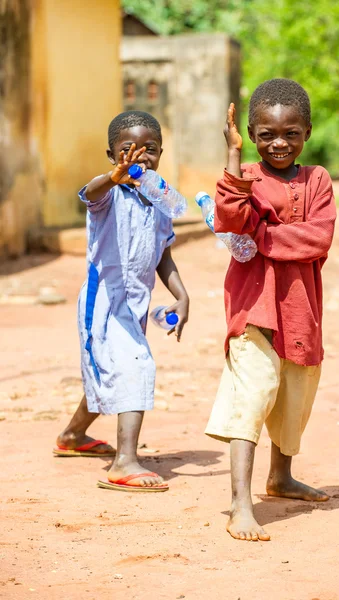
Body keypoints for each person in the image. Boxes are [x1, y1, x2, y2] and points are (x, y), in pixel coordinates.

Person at [205, 79, 336, 539]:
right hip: (253, 303)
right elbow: (229, 219)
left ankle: (280, 477)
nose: (278, 143)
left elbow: (318, 238)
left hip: (300, 304)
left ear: (307, 132)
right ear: (250, 134)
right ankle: (241, 504)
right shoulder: (245, 178)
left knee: (293, 389)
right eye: (266, 135)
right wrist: (233, 158)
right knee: (254, 390)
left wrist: (262, 238)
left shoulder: (317, 179)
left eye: (290, 133)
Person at [54, 111, 189, 492]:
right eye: (128, 150)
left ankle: (72, 436)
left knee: (110, 372)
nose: (139, 157)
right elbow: (89, 192)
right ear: (112, 155)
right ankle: (124, 462)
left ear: (161, 153)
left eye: (150, 150)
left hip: (135, 307)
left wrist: (181, 294)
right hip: (104, 306)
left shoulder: (161, 197)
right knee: (135, 366)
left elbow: (163, 254)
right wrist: (111, 178)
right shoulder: (108, 193)